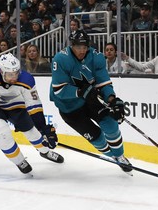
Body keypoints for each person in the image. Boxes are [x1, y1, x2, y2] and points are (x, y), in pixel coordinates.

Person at [50, 30, 132, 173]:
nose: (82, 50)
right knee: (97, 138)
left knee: (111, 124)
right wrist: (80, 92)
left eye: (84, 47)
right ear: (71, 46)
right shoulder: (60, 59)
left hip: (89, 100)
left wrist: (112, 100)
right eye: (78, 47)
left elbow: (103, 83)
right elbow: (59, 90)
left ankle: (120, 156)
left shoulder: (97, 57)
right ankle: (113, 156)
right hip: (69, 108)